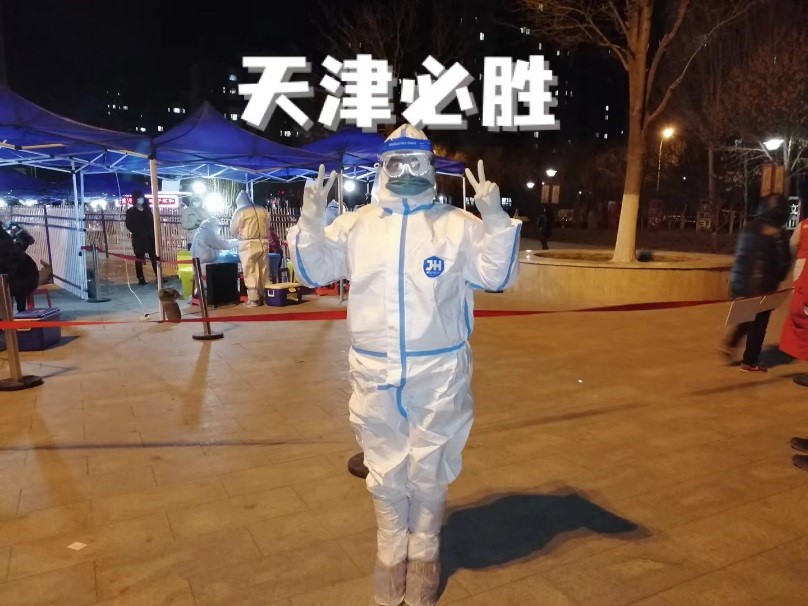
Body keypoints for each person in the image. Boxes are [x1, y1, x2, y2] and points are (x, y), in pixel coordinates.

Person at [288, 125, 521, 606]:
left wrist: (496, 219)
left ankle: (426, 552)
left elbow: (496, 275)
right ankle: (391, 553)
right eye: (397, 163)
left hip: (439, 369)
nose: (407, 171)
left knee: (430, 464)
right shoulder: (357, 225)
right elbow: (315, 269)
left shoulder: (458, 225)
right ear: (382, 168)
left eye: (418, 162)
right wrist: (311, 222)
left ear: (431, 168)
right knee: (384, 463)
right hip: (374, 369)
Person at [723, 194, 791, 372]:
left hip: (741, 282)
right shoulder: (778, 233)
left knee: (746, 315)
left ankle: (731, 342)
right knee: (759, 323)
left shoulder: (749, 227)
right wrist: (779, 278)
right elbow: (783, 262)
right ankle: (750, 361)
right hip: (763, 286)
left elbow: (740, 254)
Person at [229, 191, 270, 306]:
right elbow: (268, 225)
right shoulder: (262, 210)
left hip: (248, 244)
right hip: (263, 242)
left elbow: (233, 230)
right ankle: (266, 295)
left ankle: (254, 299)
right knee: (263, 269)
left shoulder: (240, 211)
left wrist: (239, 235)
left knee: (250, 270)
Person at [124, 191, 157, 285]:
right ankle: (140, 277)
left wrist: (150, 232)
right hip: (138, 238)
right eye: (139, 198)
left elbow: (152, 223)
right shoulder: (130, 211)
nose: (141, 199)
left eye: (142, 197)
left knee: (153, 257)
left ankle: (158, 275)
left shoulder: (147, 210)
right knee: (139, 258)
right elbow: (129, 225)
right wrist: (138, 232)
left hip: (149, 237)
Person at [789, 216, 807, 283]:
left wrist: (796, 257)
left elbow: (793, 244)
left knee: (800, 286)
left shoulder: (803, 224)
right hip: (803, 262)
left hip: (802, 262)